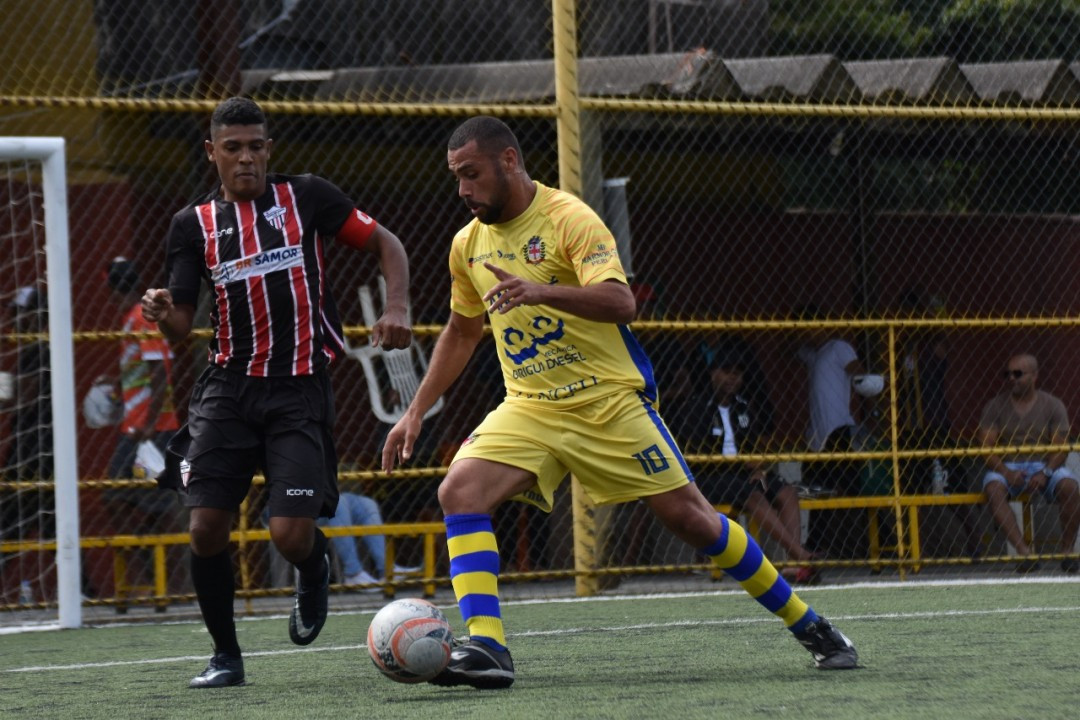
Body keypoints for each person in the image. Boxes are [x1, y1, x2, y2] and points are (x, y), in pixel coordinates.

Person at [382, 116, 857, 689]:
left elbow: (620, 301)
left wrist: (540, 291)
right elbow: (462, 332)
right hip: (531, 405)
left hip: (608, 401)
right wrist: (414, 411)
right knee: (459, 489)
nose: (463, 190)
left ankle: (809, 624)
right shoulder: (468, 244)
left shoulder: (568, 218)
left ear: (508, 161)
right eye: (456, 177)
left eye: (471, 174)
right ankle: (487, 645)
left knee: (696, 521)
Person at [142, 96, 412, 688]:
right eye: (232, 148)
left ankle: (313, 571)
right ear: (212, 152)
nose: (246, 158)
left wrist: (396, 306)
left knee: (289, 534)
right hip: (228, 391)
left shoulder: (307, 196)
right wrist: (162, 310)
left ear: (270, 148)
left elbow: (385, 242)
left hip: (297, 389)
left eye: (256, 146)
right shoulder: (192, 225)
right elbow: (182, 321)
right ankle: (225, 658)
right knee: (205, 527)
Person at [681, 340, 821, 584]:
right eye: (726, 372)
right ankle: (802, 556)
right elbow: (694, 449)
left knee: (786, 492)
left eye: (737, 374)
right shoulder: (697, 407)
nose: (732, 379)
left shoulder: (744, 407)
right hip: (710, 476)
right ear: (713, 374)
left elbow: (751, 447)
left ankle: (794, 563)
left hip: (741, 473)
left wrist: (759, 469)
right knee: (753, 495)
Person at [976, 353, 1080, 574]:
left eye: (1018, 374)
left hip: (1044, 462)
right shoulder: (995, 406)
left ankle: (1067, 552)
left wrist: (1046, 472)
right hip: (1008, 465)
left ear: (1034, 376)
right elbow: (986, 448)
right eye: (1008, 374)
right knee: (993, 487)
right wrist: (1006, 471)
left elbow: (1061, 448)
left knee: (1070, 486)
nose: (1011, 379)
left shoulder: (1053, 405)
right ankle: (1025, 553)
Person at [796, 317, 867, 559]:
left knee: (854, 488)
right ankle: (814, 546)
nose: (808, 332)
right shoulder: (813, 355)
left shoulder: (838, 347)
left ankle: (879, 541)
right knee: (816, 490)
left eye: (811, 325)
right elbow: (789, 349)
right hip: (817, 437)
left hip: (839, 430)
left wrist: (871, 394)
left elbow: (858, 372)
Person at [0, 286, 54, 600]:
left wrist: (5, 396)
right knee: (50, 522)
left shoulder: (40, 349)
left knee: (9, 516)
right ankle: (86, 589)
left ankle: (85, 589)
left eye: (21, 312)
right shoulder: (29, 349)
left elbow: (25, 397)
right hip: (32, 444)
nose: (14, 319)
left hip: (35, 447)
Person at [320, 489, 418, 588]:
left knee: (367, 504)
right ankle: (353, 573)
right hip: (308, 505)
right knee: (337, 502)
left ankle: (387, 568)